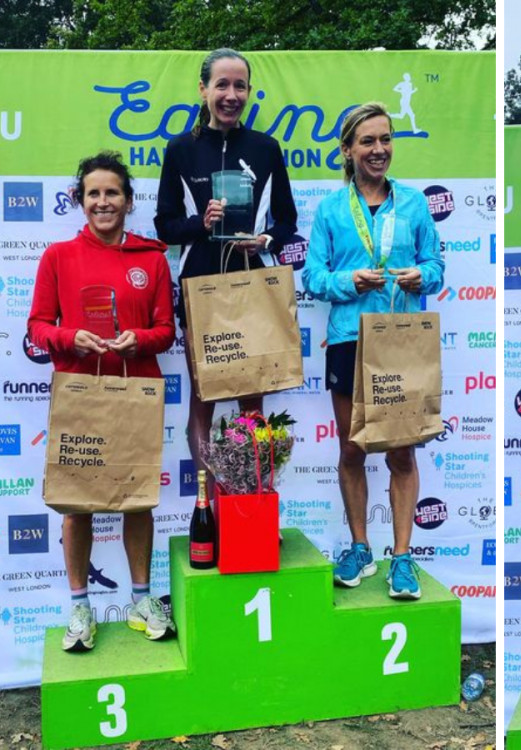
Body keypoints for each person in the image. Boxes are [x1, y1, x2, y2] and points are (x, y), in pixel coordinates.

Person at [28, 151, 176, 651]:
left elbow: (166, 331)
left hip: (135, 392)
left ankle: (140, 599)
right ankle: (80, 608)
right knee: (77, 503)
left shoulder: (151, 258)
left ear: (129, 201)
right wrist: (71, 337)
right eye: (94, 193)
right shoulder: (57, 257)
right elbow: (37, 327)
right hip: (79, 395)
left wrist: (140, 338)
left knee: (138, 500)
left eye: (112, 192)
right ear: (80, 200)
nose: (103, 201)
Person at [303, 102, 444, 600]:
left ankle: (402, 559)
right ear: (348, 150)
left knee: (402, 450)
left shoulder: (413, 204)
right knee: (352, 447)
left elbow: (438, 265)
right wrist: (349, 280)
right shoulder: (330, 209)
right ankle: (360, 547)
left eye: (385, 139)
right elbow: (313, 276)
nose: (379, 149)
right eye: (367, 141)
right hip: (348, 339)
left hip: (402, 340)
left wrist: (421, 275)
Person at [154, 48, 297, 477]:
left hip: (252, 284)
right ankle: (208, 506)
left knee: (253, 398)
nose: (231, 94)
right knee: (204, 396)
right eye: (222, 85)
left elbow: (287, 219)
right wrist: (202, 223)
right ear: (203, 90)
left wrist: (265, 240)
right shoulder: (180, 149)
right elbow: (165, 226)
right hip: (200, 287)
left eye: (240, 86)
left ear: (249, 92)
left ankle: (252, 500)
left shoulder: (266, 148)